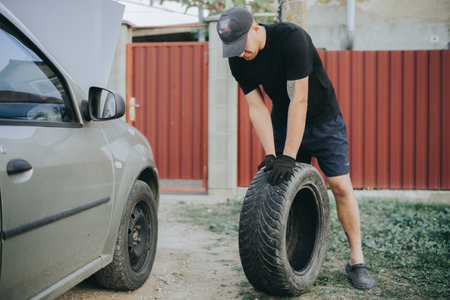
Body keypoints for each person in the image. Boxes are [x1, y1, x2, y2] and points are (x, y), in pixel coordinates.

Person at [216, 7, 376, 289]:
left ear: (255, 28)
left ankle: (356, 261)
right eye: (233, 49)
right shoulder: (238, 60)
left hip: (324, 119)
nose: (240, 53)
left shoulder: (292, 39)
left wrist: (288, 155)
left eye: (241, 46)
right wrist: (271, 153)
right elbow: (257, 107)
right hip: (284, 122)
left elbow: (298, 99)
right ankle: (289, 257)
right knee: (284, 190)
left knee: (340, 186)